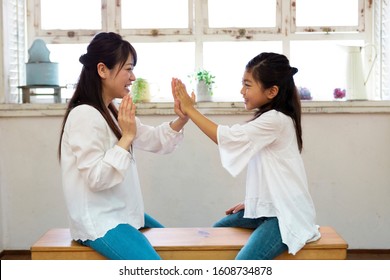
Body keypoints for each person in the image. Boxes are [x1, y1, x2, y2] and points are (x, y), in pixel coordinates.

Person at [172, 52, 321, 260]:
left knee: (243, 264)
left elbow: (227, 137)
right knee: (217, 232)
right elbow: (272, 170)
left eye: (248, 85)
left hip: (284, 215)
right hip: (269, 209)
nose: (242, 91)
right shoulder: (274, 119)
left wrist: (190, 109)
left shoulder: (276, 120)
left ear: (272, 91)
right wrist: (258, 202)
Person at [58, 32, 189, 260]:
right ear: (102, 70)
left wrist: (182, 118)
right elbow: (96, 179)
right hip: (100, 222)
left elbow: (153, 139)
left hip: (119, 213)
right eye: (128, 69)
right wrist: (126, 138)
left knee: (175, 246)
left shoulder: (111, 109)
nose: (133, 77)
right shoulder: (84, 115)